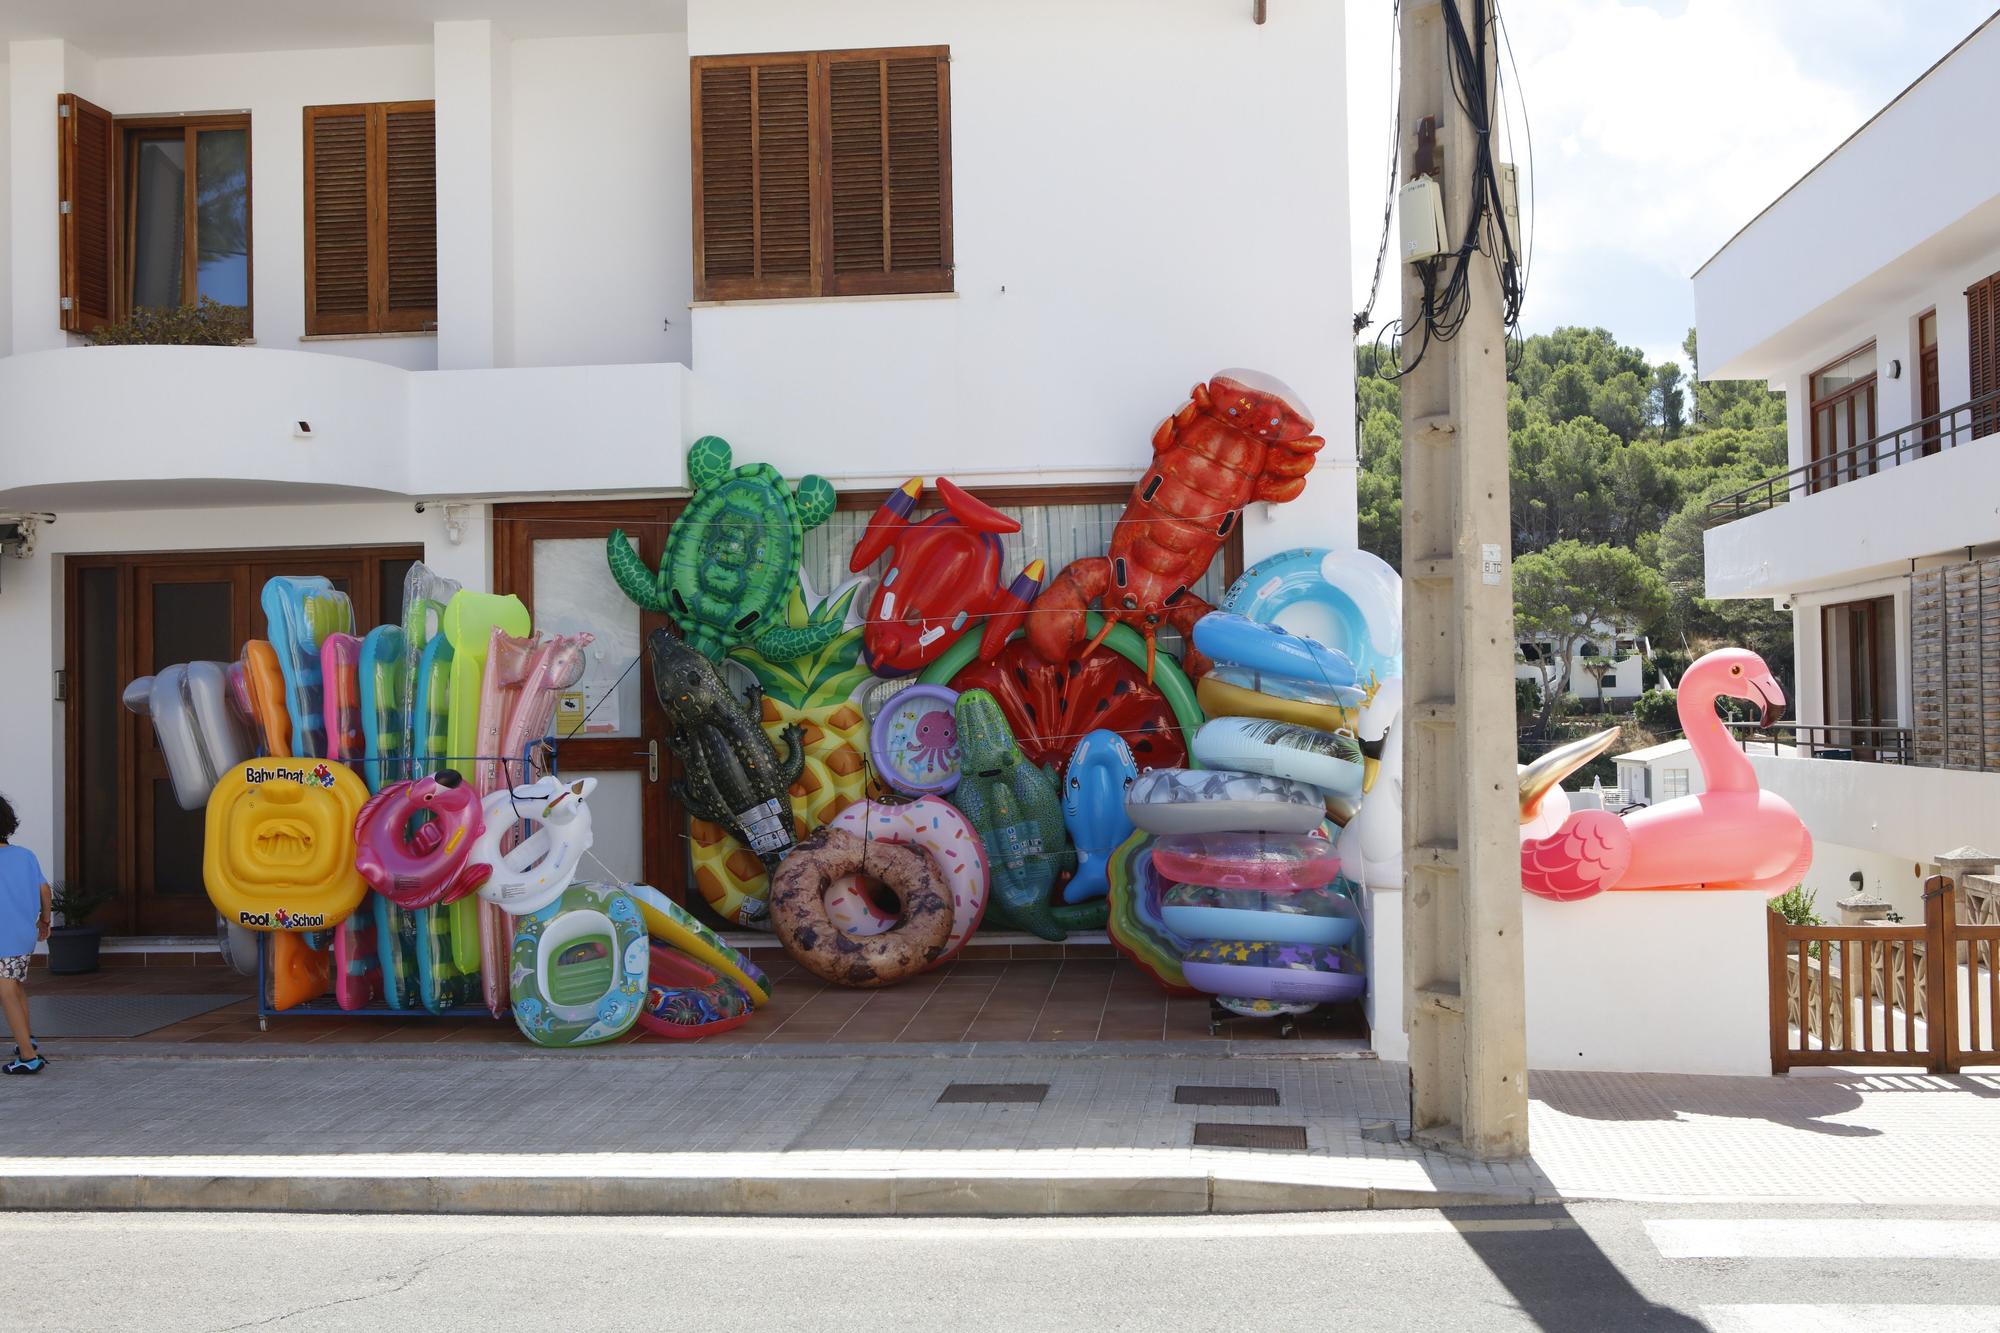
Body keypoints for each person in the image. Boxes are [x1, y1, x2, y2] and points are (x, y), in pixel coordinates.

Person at [0, 794, 52, 1075]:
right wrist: (45, 920)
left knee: (6, 990)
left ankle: (29, 1056)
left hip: (2, 938)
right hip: (22, 936)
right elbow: (45, 890)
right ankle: (26, 1040)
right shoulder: (24, 855)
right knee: (16, 988)